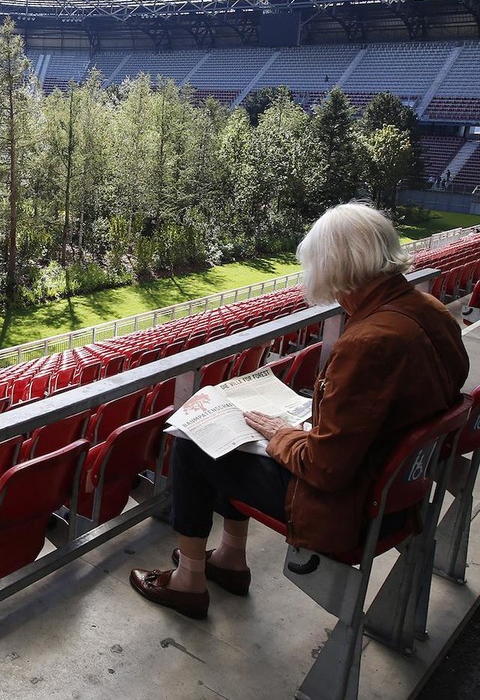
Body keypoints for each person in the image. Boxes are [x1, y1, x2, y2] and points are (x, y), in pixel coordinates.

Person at [129, 202, 468, 619]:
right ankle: (230, 560)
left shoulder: (369, 343)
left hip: (344, 507)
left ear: (334, 266)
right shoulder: (430, 311)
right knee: (243, 437)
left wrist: (282, 435)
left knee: (195, 445)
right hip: (395, 489)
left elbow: (326, 467)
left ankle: (189, 581)